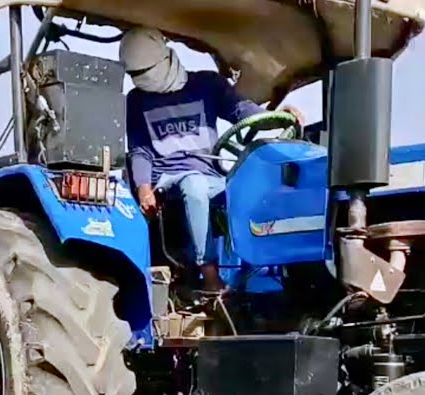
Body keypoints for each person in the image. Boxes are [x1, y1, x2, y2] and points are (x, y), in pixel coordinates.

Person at [120, 27, 303, 292]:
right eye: (136, 74)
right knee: (193, 185)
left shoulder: (206, 84)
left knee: (254, 183)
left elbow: (241, 110)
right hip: (169, 181)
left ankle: (256, 275)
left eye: (146, 71)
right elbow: (139, 150)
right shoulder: (137, 100)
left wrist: (275, 115)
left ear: (164, 57)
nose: (143, 78)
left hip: (210, 176)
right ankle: (210, 275)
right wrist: (143, 187)